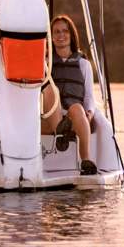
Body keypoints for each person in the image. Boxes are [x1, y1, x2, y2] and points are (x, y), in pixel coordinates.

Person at [49, 14, 97, 176]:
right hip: (52, 115)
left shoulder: (83, 64)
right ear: (51, 37)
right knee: (50, 90)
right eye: (56, 32)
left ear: (71, 34)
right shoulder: (45, 63)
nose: (61, 35)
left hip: (74, 115)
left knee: (77, 108)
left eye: (65, 31)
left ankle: (85, 160)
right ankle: (61, 129)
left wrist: (89, 114)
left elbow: (89, 97)